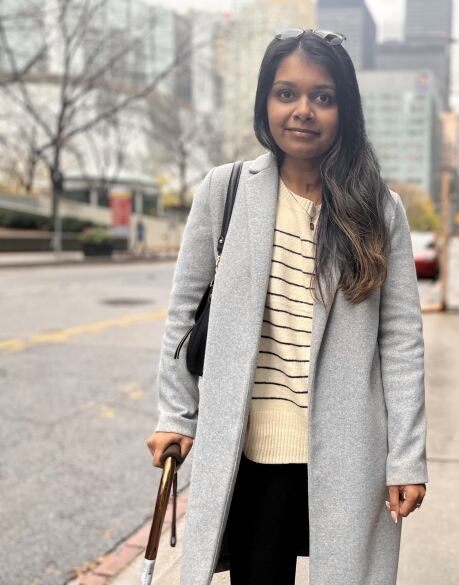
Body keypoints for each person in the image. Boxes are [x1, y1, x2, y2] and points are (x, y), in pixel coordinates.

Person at [145, 28, 428, 585]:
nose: (303, 110)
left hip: (350, 453)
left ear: (345, 109)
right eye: (286, 93)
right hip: (250, 455)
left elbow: (401, 340)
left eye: (323, 97)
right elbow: (184, 313)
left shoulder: (378, 208)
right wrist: (176, 415)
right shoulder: (224, 191)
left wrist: (406, 457)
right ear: (264, 102)